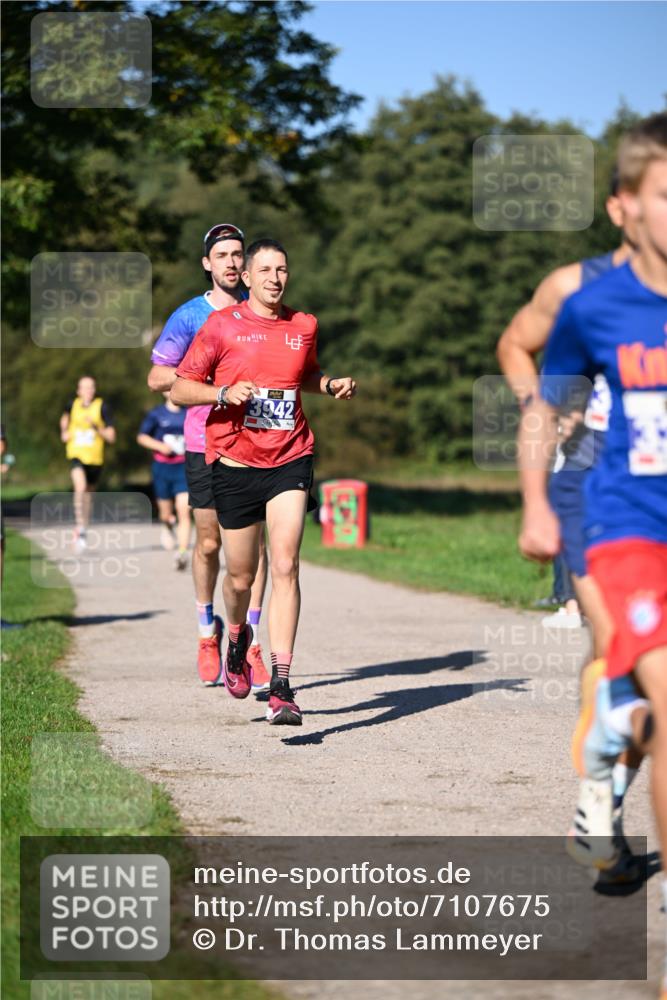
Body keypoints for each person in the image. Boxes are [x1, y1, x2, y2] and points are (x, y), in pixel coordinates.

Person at [518, 114, 666, 940]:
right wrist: (537, 503)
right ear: (630, 207)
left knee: (638, 698)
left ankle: (611, 735)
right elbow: (544, 400)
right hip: (626, 524)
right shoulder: (592, 304)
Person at [497, 169, 643, 877]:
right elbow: (513, 346)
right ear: (623, 206)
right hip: (594, 488)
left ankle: (604, 790)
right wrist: (546, 413)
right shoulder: (574, 291)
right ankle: (596, 799)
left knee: (644, 679)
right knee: (623, 644)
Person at [171, 238, 356, 725]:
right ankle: (235, 634)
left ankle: (282, 683)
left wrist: (329, 383)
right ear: (247, 278)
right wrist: (223, 392)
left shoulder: (303, 325)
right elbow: (180, 386)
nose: (276, 277)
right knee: (239, 577)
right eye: (266, 270)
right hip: (233, 462)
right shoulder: (220, 326)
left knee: (288, 564)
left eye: (283, 269)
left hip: (291, 457)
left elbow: (307, 374)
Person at [147, 224, 270, 689]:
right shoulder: (189, 316)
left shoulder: (261, 309)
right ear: (207, 264)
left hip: (259, 441)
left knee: (252, 548)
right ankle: (206, 631)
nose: (232, 263)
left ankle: (251, 642)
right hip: (203, 442)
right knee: (209, 542)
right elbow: (157, 379)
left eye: (238, 254)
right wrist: (206, 380)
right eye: (222, 255)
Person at [59, 376, 115, 553]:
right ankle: (79, 526)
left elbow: (112, 437)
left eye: (91, 387)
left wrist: (96, 427)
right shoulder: (72, 405)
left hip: (95, 459)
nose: (88, 391)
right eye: (84, 388)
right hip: (76, 454)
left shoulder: (102, 407)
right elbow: (64, 419)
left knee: (89, 495)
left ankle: (82, 529)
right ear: (78, 391)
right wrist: (64, 432)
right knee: (80, 487)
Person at [137, 393, 191, 570]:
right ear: (164, 391)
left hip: (183, 468)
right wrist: (160, 447)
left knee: (184, 511)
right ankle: (167, 526)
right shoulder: (157, 414)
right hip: (162, 468)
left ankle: (182, 552)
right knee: (166, 514)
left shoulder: (188, 412)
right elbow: (142, 437)